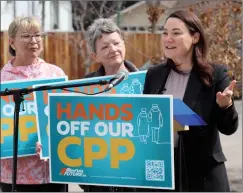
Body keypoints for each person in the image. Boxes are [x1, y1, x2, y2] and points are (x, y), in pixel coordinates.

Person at [142, 10, 238, 192]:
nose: (168, 39)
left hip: (203, 177)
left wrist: (225, 106)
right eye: (165, 33)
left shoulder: (215, 74)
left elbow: (228, 128)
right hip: (164, 174)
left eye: (176, 33)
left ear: (195, 37)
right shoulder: (154, 75)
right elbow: (148, 119)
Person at [0, 16, 67, 192]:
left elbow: (67, 118)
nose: (34, 41)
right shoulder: (2, 79)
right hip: (13, 176)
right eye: (26, 36)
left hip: (53, 173)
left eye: (37, 35)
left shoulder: (55, 75)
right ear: (12, 42)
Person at [79, 18, 138, 192]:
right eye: (105, 47)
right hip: (98, 176)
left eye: (116, 43)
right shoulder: (85, 86)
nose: (113, 49)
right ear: (94, 56)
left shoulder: (148, 80)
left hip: (136, 177)